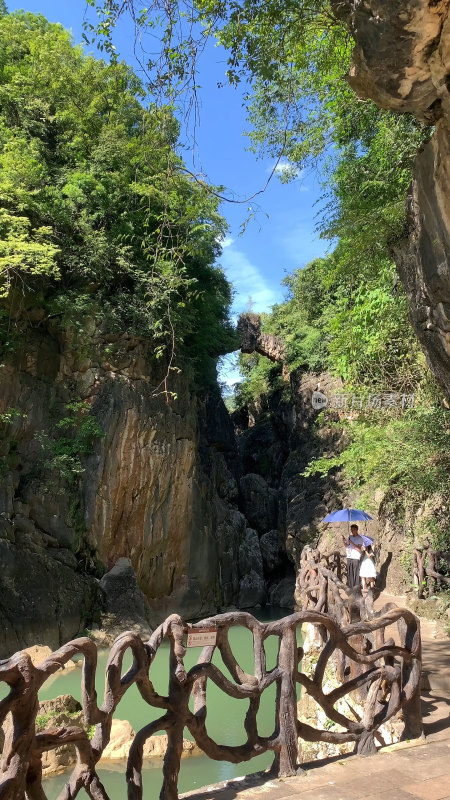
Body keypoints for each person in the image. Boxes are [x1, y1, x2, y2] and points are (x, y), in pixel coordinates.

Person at [343, 524, 363, 589]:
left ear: (357, 530)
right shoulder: (350, 537)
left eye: (353, 530)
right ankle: (351, 586)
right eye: (351, 530)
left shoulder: (360, 538)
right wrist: (344, 542)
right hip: (349, 556)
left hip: (355, 557)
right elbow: (347, 546)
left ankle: (356, 587)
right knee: (350, 572)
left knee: (355, 572)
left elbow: (359, 549)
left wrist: (352, 543)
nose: (352, 531)